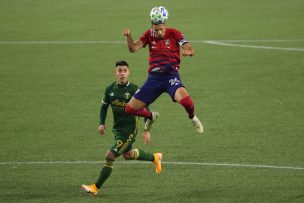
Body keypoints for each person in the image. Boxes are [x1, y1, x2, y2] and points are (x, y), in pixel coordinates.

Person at [81, 61, 162, 196]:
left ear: (129, 72)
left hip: (129, 130)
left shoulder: (134, 90)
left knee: (110, 155)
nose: (122, 73)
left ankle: (95, 187)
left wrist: (147, 130)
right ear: (115, 73)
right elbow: (104, 106)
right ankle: (155, 158)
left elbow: (146, 109)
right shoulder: (110, 89)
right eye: (120, 70)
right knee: (128, 155)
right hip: (118, 129)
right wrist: (101, 123)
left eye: (125, 70)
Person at [122, 6, 204, 134]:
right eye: (156, 29)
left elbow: (190, 48)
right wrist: (128, 37)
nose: (159, 32)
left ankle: (192, 117)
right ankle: (150, 116)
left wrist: (188, 52)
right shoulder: (148, 34)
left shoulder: (174, 33)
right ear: (152, 25)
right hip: (154, 79)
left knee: (187, 102)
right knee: (129, 110)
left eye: (161, 29)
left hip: (171, 77)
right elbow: (133, 49)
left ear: (165, 24)